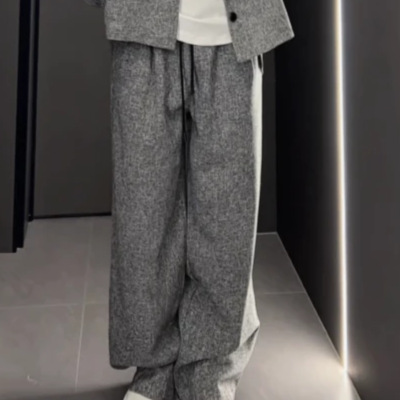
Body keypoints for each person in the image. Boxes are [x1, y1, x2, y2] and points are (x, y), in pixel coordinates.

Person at [83, 0, 294, 399]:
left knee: (226, 223)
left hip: (233, 34)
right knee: (143, 217)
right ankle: (153, 373)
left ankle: (209, 376)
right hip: (141, 24)